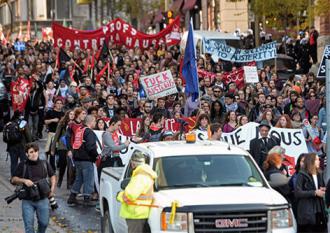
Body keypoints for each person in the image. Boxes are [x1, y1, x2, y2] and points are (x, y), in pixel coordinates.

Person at [11, 143, 56, 233]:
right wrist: (24, 181)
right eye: (31, 152)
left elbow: (53, 175)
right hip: (28, 201)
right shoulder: (22, 165)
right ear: (27, 154)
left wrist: (52, 189)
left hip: (42, 199)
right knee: (29, 227)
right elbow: (13, 179)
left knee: (44, 223)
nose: (34, 153)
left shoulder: (44, 163)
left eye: (36, 151)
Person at [117, 151, 157, 233]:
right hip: (141, 212)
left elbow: (130, 195)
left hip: (135, 213)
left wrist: (119, 195)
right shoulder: (146, 174)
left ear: (133, 164)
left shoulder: (140, 177)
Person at [67, 115, 99, 206]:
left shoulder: (80, 130)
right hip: (86, 159)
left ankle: (72, 197)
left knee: (79, 179)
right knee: (88, 179)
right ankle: (87, 199)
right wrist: (96, 156)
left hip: (77, 158)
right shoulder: (89, 132)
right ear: (91, 121)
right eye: (94, 121)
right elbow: (91, 147)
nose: (95, 123)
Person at [295, 153, 327, 232]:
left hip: (319, 211)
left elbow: (319, 188)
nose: (319, 161)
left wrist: (323, 189)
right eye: (316, 159)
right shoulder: (301, 175)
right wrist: (314, 192)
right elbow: (297, 192)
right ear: (310, 161)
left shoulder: (319, 174)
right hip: (307, 213)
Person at [50, 110, 75, 189]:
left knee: (70, 166)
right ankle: (60, 179)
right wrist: (53, 148)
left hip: (71, 147)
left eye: (73, 114)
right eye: (70, 114)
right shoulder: (62, 123)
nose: (72, 115)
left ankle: (69, 184)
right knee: (63, 165)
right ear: (67, 114)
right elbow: (56, 136)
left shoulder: (75, 124)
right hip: (62, 146)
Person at [4, 110, 32, 176]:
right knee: (23, 162)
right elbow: (29, 136)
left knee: (13, 163)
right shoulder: (23, 123)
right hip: (22, 146)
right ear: (21, 115)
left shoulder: (9, 123)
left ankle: (13, 177)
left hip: (11, 146)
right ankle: (23, 177)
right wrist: (30, 145)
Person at [44, 98, 64, 170]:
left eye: (60, 103)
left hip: (60, 136)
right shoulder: (50, 112)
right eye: (57, 103)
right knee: (51, 152)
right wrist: (53, 120)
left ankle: (58, 165)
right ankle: (52, 168)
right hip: (52, 134)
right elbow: (45, 121)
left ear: (62, 105)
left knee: (59, 151)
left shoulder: (63, 114)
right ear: (55, 104)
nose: (59, 105)